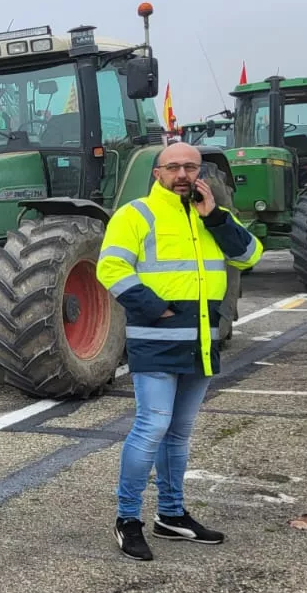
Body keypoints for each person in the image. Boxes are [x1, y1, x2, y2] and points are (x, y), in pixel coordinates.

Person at [97, 142, 262, 561]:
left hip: (202, 340)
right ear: (157, 173)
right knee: (152, 426)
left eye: (191, 166)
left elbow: (249, 257)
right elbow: (110, 268)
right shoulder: (135, 215)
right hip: (157, 336)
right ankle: (127, 518)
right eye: (174, 167)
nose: (184, 174)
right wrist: (158, 309)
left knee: (179, 433)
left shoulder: (211, 216)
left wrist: (217, 218)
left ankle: (171, 515)